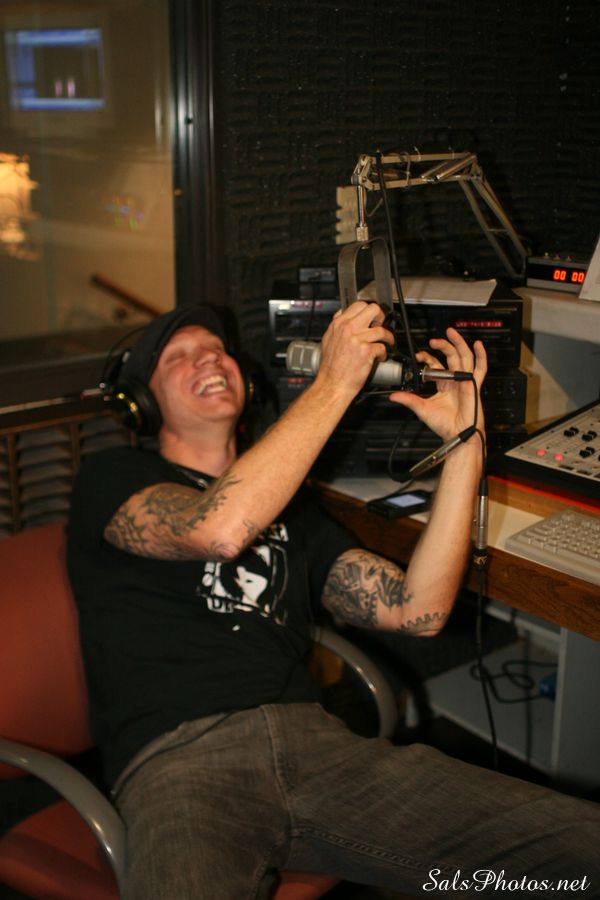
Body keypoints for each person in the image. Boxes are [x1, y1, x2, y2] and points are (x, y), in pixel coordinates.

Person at [67, 302, 600, 900]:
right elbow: (217, 530)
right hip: (179, 760)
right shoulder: (111, 478)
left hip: (318, 748)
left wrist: (464, 445)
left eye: (216, 348)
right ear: (142, 400)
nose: (209, 359)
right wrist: (335, 383)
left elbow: (418, 611)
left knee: (581, 847)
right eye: (179, 356)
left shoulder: (293, 513)